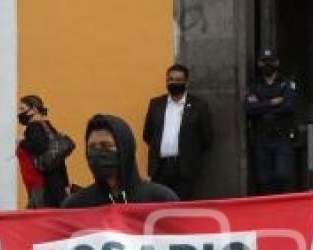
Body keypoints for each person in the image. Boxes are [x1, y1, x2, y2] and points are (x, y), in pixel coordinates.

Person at [62, 114, 179, 208]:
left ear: (126, 149)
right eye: (92, 147)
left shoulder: (161, 200)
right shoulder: (76, 206)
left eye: (106, 146)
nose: (97, 153)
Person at [142, 63, 212, 201]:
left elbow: (207, 138)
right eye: (170, 79)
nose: (173, 83)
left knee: (181, 209)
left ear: (186, 82)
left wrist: (190, 156)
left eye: (178, 80)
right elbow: (147, 134)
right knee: (159, 209)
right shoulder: (156, 104)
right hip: (160, 169)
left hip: (184, 169)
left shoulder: (199, 106)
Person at [244, 48, 298, 194]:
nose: (267, 64)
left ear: (277, 62)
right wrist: (273, 102)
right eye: (264, 61)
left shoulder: (287, 83)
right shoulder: (254, 85)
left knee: (283, 175)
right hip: (261, 138)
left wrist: (262, 106)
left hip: (281, 137)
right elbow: (250, 109)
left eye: (271, 61)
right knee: (264, 181)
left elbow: (289, 106)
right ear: (259, 64)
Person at [16, 95, 69, 208]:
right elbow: (59, 157)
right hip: (54, 183)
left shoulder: (33, 127)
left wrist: (22, 142)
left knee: (38, 219)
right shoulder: (48, 127)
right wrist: (65, 183)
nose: (19, 112)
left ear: (33, 110)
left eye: (22, 108)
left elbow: (39, 146)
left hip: (41, 185)